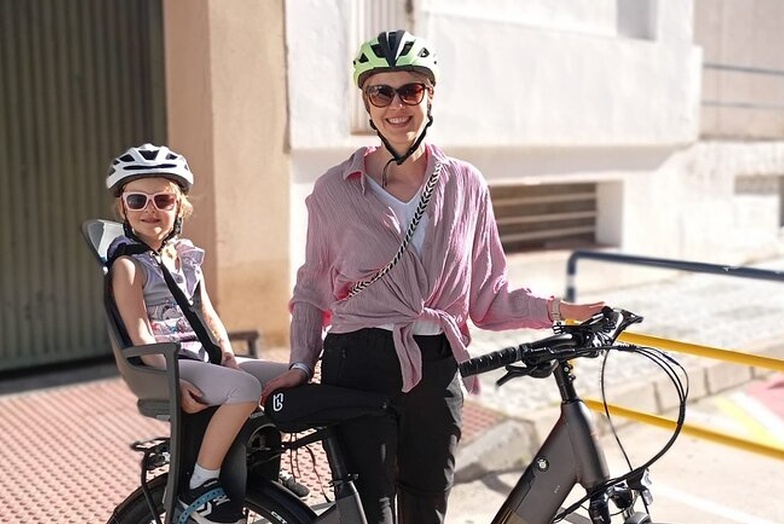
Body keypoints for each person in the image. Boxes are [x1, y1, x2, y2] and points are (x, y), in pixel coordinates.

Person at [260, 30, 605, 524]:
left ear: (430, 94)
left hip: (438, 362)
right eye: (382, 92)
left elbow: (488, 294)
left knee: (428, 505)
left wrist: (560, 311)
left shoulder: (465, 184)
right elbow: (314, 287)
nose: (396, 105)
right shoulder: (334, 190)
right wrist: (299, 362)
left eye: (410, 90)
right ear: (367, 102)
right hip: (357, 360)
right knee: (370, 511)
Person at [106, 143, 287, 524]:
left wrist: (228, 355)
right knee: (245, 390)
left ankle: (262, 464)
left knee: (284, 378)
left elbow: (208, 313)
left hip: (200, 357)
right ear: (123, 208)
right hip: (165, 362)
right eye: (137, 200)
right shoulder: (128, 266)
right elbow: (139, 332)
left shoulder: (184, 255)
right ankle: (201, 486)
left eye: (163, 199)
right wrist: (168, 377)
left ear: (180, 206)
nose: (150, 209)